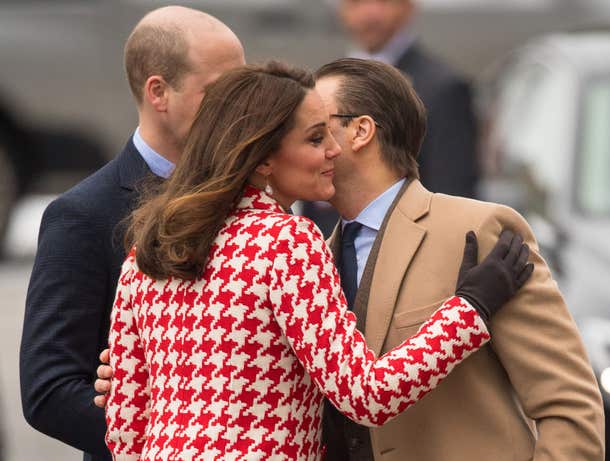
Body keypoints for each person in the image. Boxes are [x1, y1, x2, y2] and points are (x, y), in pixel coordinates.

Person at [103, 61, 532, 460]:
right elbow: (366, 394)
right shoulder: (285, 242)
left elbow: (124, 428)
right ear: (264, 157)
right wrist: (470, 309)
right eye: (314, 138)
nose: (333, 150)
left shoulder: (145, 251)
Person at [310, 58, 605, 460]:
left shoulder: (478, 230)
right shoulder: (308, 260)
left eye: (315, 129)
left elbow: (568, 406)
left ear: (361, 131)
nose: (301, 144)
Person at [19, 6, 245, 461]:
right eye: (220, 93)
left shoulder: (250, 191)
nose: (237, 110)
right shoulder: (83, 214)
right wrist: (177, 441)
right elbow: (51, 389)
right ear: (158, 92)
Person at [302, 0, 478, 236]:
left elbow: (452, 190)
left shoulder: (442, 87)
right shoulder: (319, 84)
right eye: (357, 2)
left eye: (384, 1)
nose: (371, 12)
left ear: (408, 7)